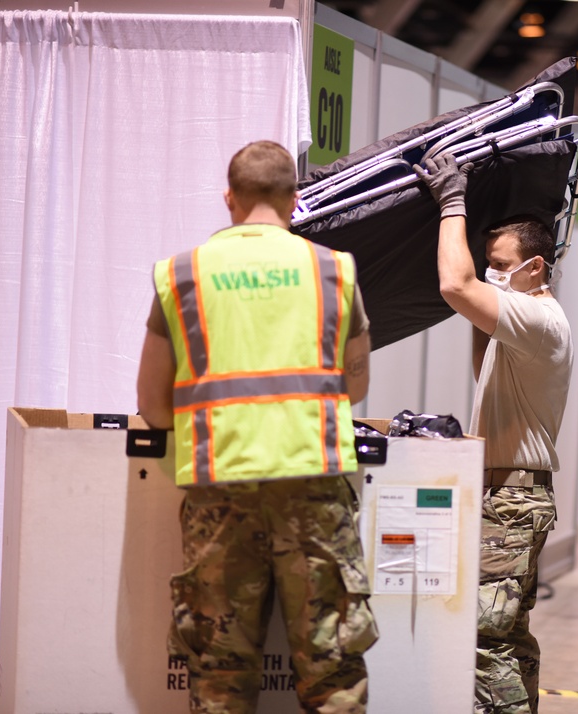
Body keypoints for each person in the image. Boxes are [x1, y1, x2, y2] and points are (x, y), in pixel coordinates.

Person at [136, 140, 378, 714]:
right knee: (333, 670)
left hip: (220, 489)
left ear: (229, 198)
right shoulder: (334, 271)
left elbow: (152, 403)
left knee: (220, 673)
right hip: (314, 487)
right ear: (295, 200)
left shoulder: (182, 274)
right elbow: (356, 386)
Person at [415, 153, 573, 714]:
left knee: (484, 638)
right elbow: (480, 340)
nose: (491, 275)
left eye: (501, 265)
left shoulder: (539, 319)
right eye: (489, 264)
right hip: (512, 496)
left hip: (512, 500)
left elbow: (455, 286)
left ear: (536, 268)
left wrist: (452, 202)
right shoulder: (523, 323)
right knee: (507, 635)